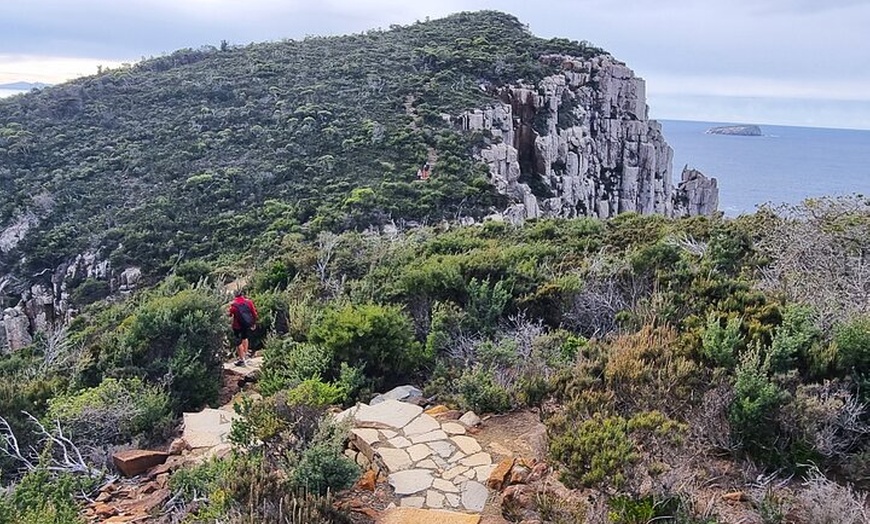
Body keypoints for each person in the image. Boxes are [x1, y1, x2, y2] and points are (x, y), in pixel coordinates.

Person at [228, 289, 258, 366]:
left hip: (237, 325)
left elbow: (230, 314)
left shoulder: (233, 304)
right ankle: (245, 355)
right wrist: (253, 323)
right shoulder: (249, 302)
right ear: (242, 295)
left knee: (238, 342)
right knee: (245, 338)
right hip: (246, 324)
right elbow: (254, 313)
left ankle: (242, 359)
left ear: (234, 296)